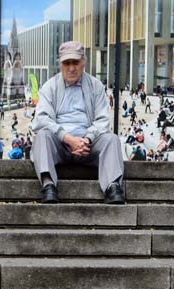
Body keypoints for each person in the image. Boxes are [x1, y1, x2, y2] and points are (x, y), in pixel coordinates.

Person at [31, 40, 124, 205]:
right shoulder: (49, 87)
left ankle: (112, 186)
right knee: (42, 137)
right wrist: (68, 139)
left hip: (88, 144)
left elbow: (102, 119)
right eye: (67, 63)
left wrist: (86, 139)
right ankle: (48, 185)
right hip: (60, 143)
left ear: (84, 63)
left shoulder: (96, 86)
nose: (71, 68)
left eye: (76, 62)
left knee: (112, 139)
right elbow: (42, 119)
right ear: (60, 64)